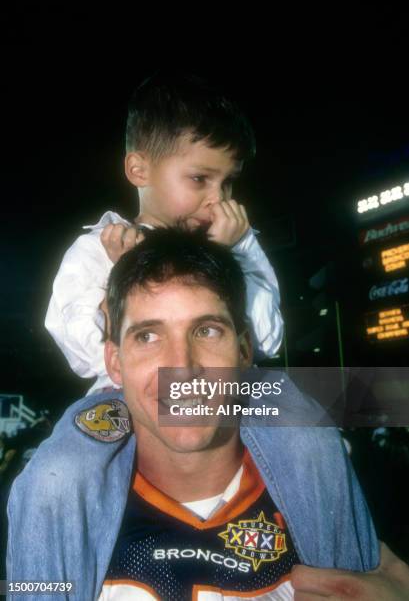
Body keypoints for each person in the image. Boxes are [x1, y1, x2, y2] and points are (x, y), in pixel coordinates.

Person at [8, 229, 379, 600]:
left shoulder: (318, 491)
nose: (182, 368)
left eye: (206, 330)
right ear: (114, 363)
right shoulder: (66, 511)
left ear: (244, 348)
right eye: (148, 337)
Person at [45, 72, 283, 395]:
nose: (220, 198)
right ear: (139, 170)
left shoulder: (233, 242)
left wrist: (228, 254)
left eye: (228, 181)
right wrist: (129, 270)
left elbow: (268, 339)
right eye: (200, 179)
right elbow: (86, 354)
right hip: (130, 401)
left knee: (301, 424)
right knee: (76, 444)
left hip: (222, 395)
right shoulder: (100, 247)